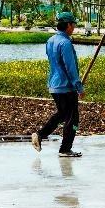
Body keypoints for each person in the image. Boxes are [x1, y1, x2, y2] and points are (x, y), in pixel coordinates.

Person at [31, 11, 83, 157]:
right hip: (66, 86)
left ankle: (40, 135)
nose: (74, 28)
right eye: (73, 25)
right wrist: (78, 86)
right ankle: (65, 149)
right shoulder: (65, 43)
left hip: (54, 85)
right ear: (68, 25)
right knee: (73, 119)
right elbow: (70, 67)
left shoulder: (50, 41)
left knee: (62, 114)